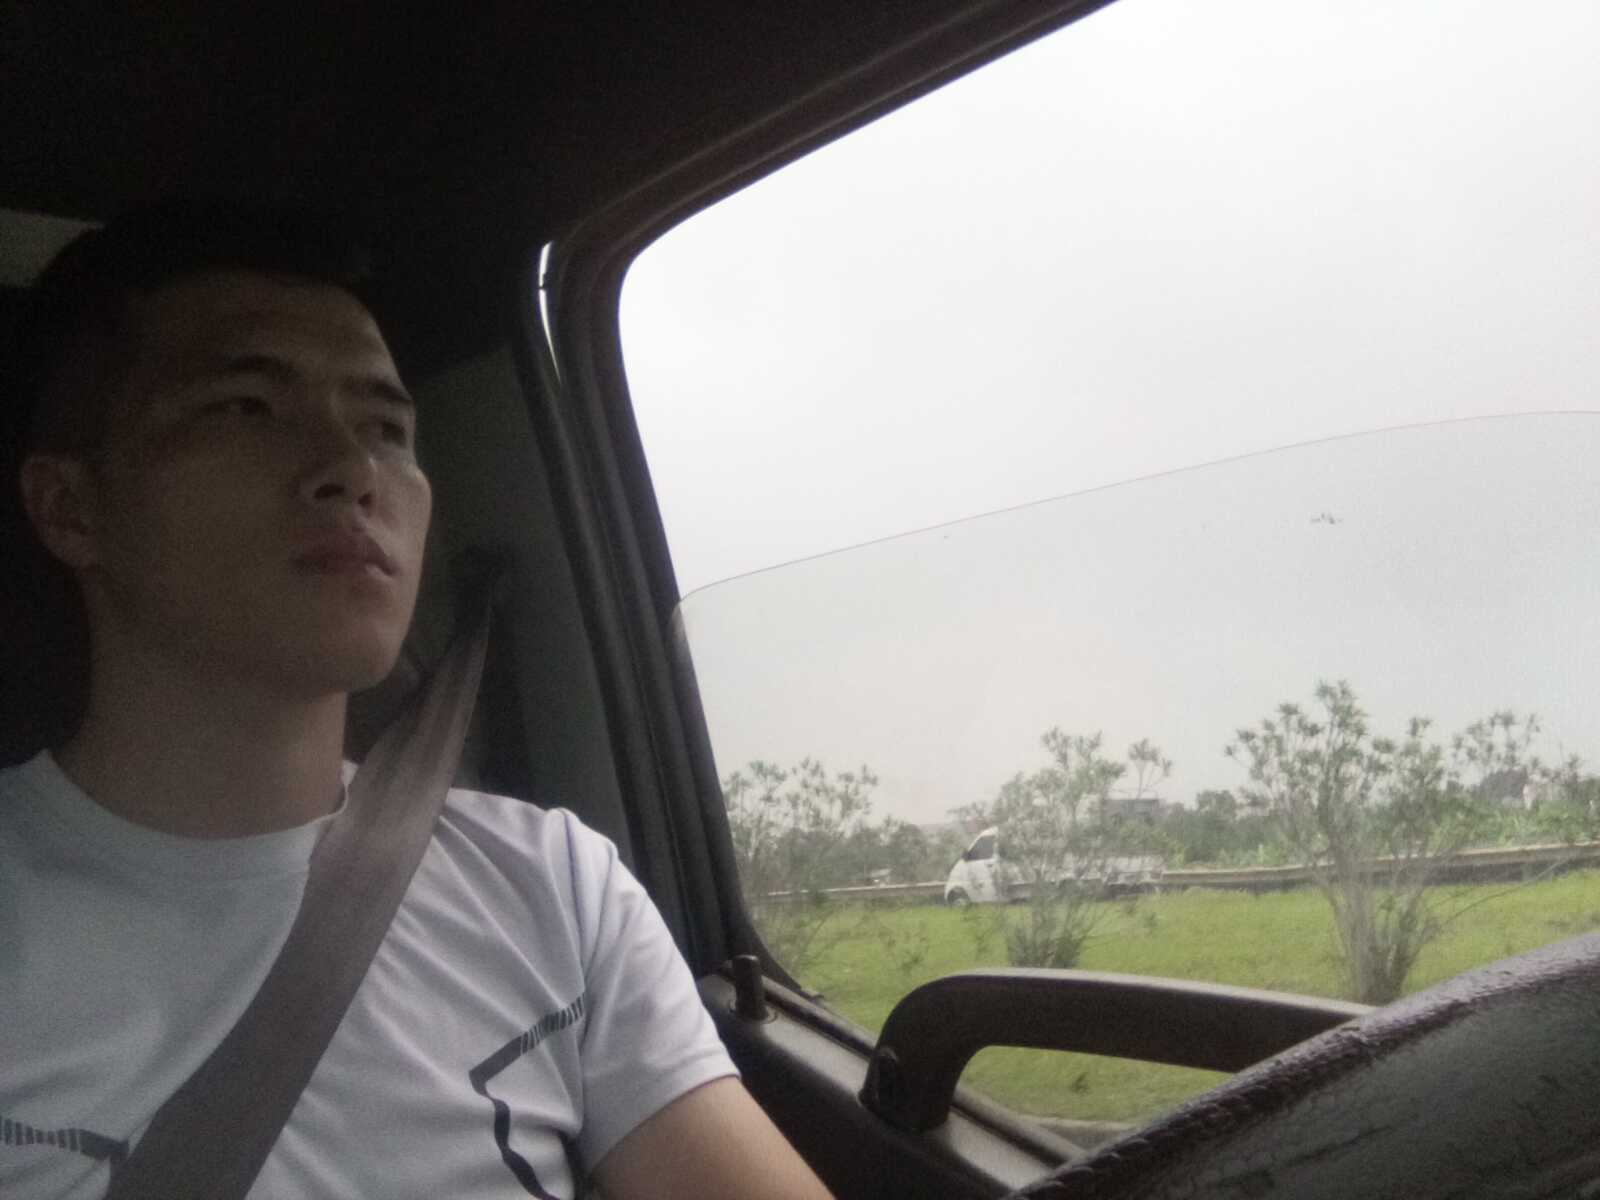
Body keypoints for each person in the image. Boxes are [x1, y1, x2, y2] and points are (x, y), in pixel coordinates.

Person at [0, 204, 834, 1200]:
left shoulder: (553, 886)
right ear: (72, 508)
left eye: (388, 429)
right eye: (246, 407)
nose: (352, 469)